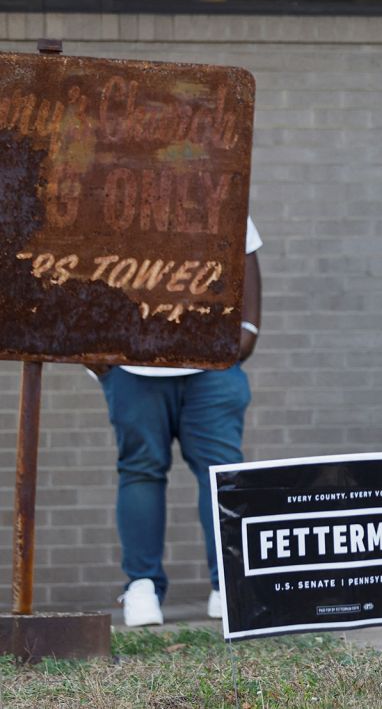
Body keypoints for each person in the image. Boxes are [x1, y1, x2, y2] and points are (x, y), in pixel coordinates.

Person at [89, 217, 262, 626]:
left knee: (221, 473)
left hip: (211, 363)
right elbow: (83, 260)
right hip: (134, 366)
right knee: (140, 471)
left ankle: (227, 586)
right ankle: (142, 586)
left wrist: (247, 333)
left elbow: (245, 247)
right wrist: (96, 357)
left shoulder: (215, 178)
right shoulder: (106, 189)